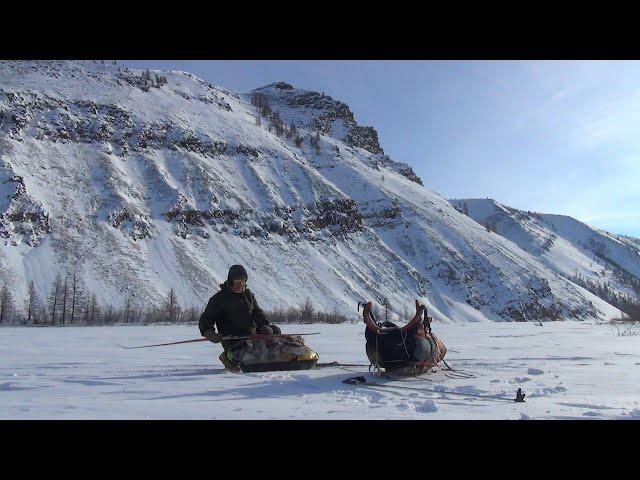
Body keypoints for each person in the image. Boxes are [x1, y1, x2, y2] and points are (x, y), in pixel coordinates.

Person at [199, 265, 281, 358]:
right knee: (245, 346)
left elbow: (257, 313)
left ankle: (273, 355)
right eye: (238, 282)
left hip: (252, 335)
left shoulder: (248, 295)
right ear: (230, 282)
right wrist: (209, 333)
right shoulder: (219, 298)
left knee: (275, 330)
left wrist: (264, 326)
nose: (241, 285)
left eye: (243, 282)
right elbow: (207, 318)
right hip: (233, 339)